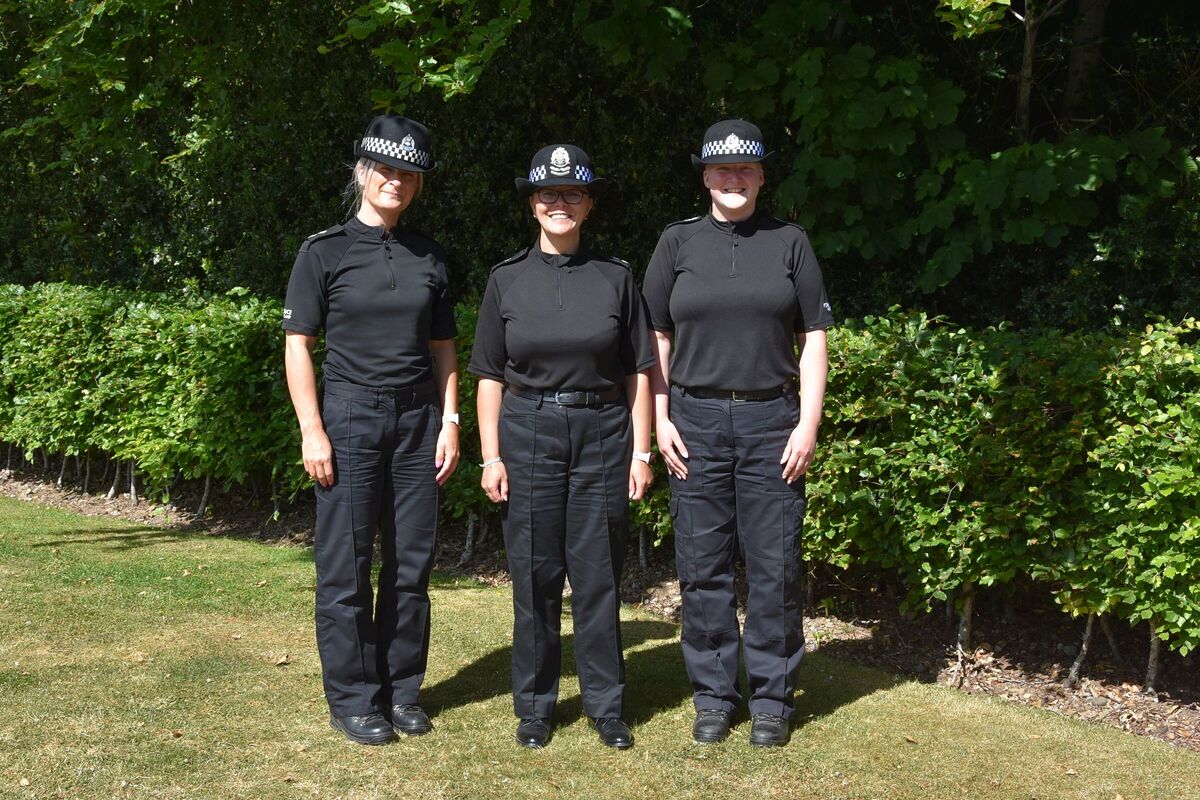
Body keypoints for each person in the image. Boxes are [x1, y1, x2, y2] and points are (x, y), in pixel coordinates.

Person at [642, 119, 833, 748]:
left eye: (744, 169)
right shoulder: (676, 243)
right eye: (721, 169)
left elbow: (813, 337)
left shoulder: (790, 242)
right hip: (693, 421)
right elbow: (656, 337)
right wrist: (661, 417)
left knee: (775, 564)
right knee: (702, 567)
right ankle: (715, 696)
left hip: (771, 422)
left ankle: (773, 697)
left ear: (761, 177)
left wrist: (807, 422)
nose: (733, 179)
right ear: (705, 176)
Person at [469, 144, 655, 750]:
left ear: (589, 204)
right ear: (532, 204)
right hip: (528, 433)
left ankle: (606, 706)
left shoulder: (617, 277)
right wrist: (491, 455)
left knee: (598, 574)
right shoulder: (505, 279)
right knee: (534, 573)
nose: (559, 203)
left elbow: (639, 372)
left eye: (572, 193)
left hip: (603, 433)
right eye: (548, 193)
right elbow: (490, 375)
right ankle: (535, 706)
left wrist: (641, 451)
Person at [282, 115, 460, 745]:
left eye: (408, 173)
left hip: (419, 421)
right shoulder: (323, 251)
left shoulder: (429, 255)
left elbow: (443, 348)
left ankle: (403, 690)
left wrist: (451, 420)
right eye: (385, 169)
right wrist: (312, 429)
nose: (396, 181)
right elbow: (299, 344)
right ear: (362, 172)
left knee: (411, 565)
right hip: (351, 416)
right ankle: (354, 698)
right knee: (347, 565)